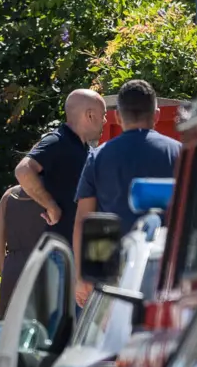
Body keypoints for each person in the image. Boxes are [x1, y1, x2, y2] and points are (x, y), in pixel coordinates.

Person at [73, 79, 179, 304]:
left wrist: (83, 275)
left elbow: (84, 219)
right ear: (156, 115)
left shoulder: (97, 157)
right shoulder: (180, 153)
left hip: (112, 275)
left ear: (118, 117)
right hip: (164, 271)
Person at [13, 88, 105, 247]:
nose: (104, 120)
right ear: (90, 115)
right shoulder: (57, 141)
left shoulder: (86, 150)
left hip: (81, 250)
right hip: (60, 250)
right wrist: (51, 206)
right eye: (103, 115)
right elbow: (23, 170)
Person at [0, 184, 48, 309]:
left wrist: (7, 272)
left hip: (13, 272)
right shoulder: (53, 194)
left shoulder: (8, 195)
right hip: (45, 271)